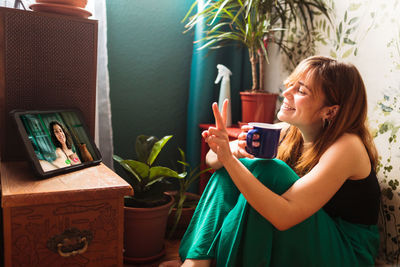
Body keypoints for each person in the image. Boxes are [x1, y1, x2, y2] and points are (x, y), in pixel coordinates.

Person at [162, 56, 381, 267]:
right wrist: (232, 151)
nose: (286, 93)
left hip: (345, 251)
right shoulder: (289, 131)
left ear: (330, 111)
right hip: (306, 233)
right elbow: (212, 160)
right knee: (238, 169)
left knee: (269, 170)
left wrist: (230, 161)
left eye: (301, 90)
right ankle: (196, 262)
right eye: (291, 85)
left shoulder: (347, 146)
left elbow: (284, 217)